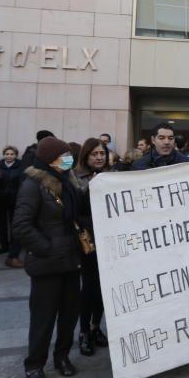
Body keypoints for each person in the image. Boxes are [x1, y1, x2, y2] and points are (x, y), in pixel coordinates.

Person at [12, 137, 83, 378]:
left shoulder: (69, 182)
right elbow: (21, 226)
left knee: (68, 316)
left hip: (71, 261)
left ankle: (62, 357)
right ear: (49, 158)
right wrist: (48, 248)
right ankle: (34, 364)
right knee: (43, 318)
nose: (68, 159)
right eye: (63, 155)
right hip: (48, 264)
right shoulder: (33, 185)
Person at [74, 138, 109, 356]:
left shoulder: (111, 176)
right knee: (88, 288)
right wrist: (92, 187)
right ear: (86, 156)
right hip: (88, 242)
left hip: (108, 240)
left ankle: (97, 326)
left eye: (102, 153)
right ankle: (84, 331)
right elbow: (76, 210)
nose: (98, 157)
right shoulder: (75, 179)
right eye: (94, 153)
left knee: (103, 289)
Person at [0, 146, 25, 266]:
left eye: (12, 154)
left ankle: (13, 247)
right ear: (4, 155)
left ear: (15, 155)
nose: (9, 156)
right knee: (1, 223)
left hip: (15, 200)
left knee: (13, 224)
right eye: (7, 154)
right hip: (0, 199)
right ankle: (3, 245)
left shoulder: (21, 167)